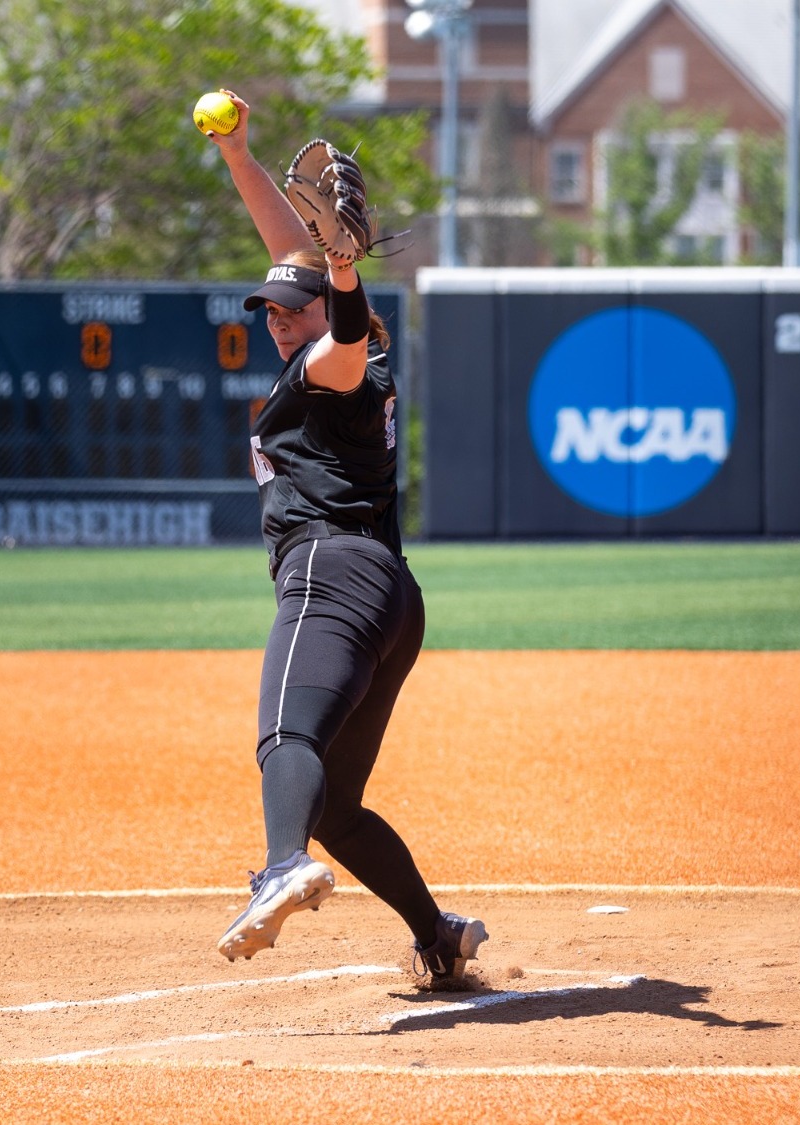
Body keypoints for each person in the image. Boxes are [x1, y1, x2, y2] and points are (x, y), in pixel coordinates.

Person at [203, 93, 486, 987]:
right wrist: (240, 157)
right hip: (391, 593)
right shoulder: (326, 344)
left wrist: (345, 277)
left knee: (285, 731)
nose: (278, 319)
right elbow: (298, 260)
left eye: (293, 307)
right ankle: (438, 937)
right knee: (341, 804)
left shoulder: (340, 361)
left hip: (330, 572)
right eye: (271, 311)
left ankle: (281, 864)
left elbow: (344, 330)